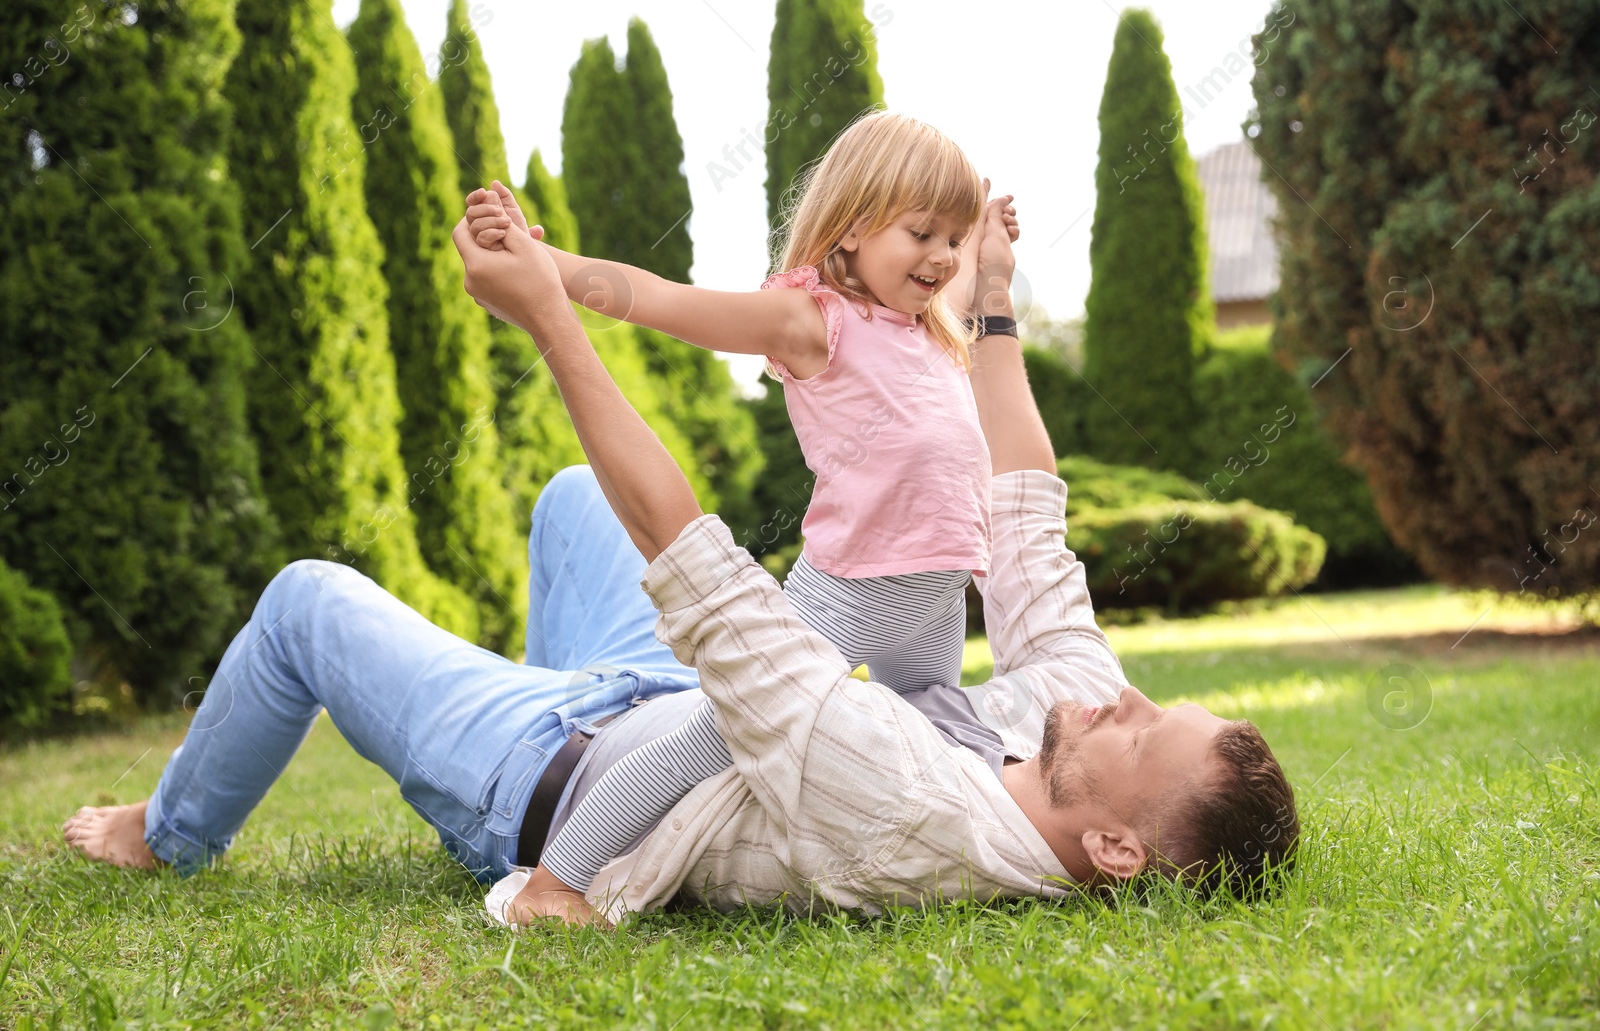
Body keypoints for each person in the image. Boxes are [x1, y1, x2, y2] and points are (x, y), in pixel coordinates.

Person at [64, 191, 1298, 928]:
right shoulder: (1058, 733)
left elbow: (695, 559)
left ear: (1119, 850)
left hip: (541, 768)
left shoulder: (912, 812)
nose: (1116, 692)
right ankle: (528, 685)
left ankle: (162, 833)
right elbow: (1024, 516)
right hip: (655, 702)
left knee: (304, 599)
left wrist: (549, 309)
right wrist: (988, 302)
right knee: (565, 500)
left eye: (1138, 727)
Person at [464, 111, 1019, 913]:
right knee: (713, 737)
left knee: (935, 730)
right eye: (922, 232)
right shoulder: (813, 319)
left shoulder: (930, 324)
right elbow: (658, 298)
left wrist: (987, 245)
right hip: (850, 596)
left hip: (934, 602)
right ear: (854, 226)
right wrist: (543, 263)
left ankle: (952, 855)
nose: (940, 256)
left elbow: (964, 266)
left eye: (952, 237)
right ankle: (555, 881)